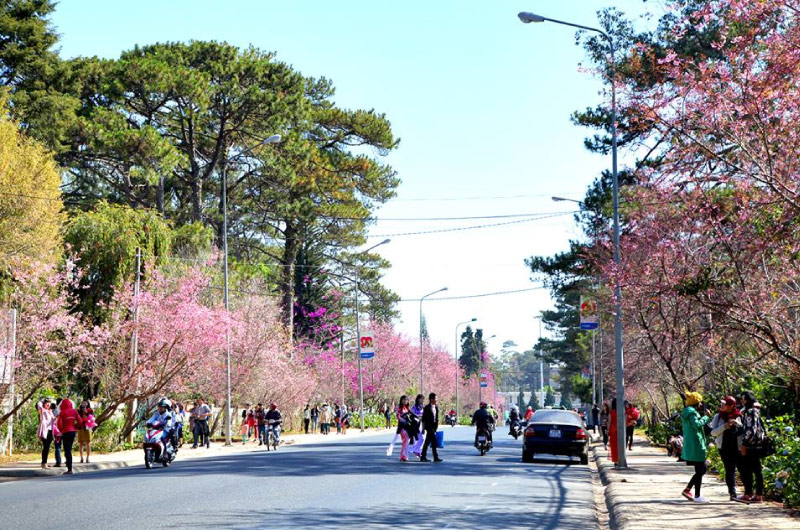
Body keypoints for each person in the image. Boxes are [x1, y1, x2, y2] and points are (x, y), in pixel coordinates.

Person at [709, 396, 743, 501]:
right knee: (729, 470)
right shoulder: (718, 417)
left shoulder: (738, 416)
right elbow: (713, 432)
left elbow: (743, 429)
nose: (722, 406)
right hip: (724, 447)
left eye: (725, 404)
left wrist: (737, 423)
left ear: (732, 406)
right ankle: (732, 493)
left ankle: (748, 492)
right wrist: (724, 427)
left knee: (742, 469)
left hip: (737, 447)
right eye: (722, 404)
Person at [680, 391, 711, 503]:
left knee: (701, 470)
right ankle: (697, 495)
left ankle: (688, 489)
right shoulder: (692, 413)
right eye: (700, 402)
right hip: (696, 445)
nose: (701, 404)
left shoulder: (687, 412)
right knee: (700, 470)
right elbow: (697, 425)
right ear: (696, 403)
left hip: (693, 444)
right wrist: (706, 417)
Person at [739, 390, 766, 503]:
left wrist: (744, 445)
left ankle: (755, 494)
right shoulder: (753, 410)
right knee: (753, 470)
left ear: (746, 400)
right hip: (756, 445)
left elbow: (750, 430)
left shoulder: (750, 412)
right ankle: (751, 493)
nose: (741, 401)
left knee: (751, 470)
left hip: (751, 446)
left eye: (743, 399)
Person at [56, 398, 80, 475]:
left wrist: (61, 430)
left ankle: (69, 469)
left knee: (67, 450)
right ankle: (69, 467)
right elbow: (80, 421)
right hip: (73, 431)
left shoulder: (62, 412)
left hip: (66, 432)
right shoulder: (74, 411)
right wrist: (76, 427)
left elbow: (59, 423)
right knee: (69, 449)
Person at [420, 393, 442, 462]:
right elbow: (423, 419)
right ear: (431, 399)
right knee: (434, 441)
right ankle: (435, 457)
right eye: (435, 398)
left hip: (434, 427)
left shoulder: (436, 407)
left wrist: (436, 427)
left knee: (427, 442)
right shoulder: (427, 408)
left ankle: (423, 456)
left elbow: (436, 418)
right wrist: (423, 428)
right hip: (428, 427)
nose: (436, 400)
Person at [37, 398, 55, 470]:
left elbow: (54, 419)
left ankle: (45, 462)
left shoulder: (51, 411)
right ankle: (44, 463)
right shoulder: (42, 411)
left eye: (49, 403)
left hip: (51, 431)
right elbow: (38, 404)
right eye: (47, 403)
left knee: (47, 448)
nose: (48, 404)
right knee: (45, 447)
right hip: (45, 431)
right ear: (44, 404)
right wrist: (42, 400)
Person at [395, 395, 412, 462]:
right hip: (402, 427)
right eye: (404, 399)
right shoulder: (399, 408)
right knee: (405, 440)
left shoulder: (407, 408)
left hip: (408, 427)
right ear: (401, 400)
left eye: (406, 400)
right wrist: (404, 421)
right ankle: (403, 455)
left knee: (406, 441)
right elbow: (398, 417)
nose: (405, 401)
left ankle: (403, 455)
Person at [53, 397, 63, 467]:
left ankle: (58, 462)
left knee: (57, 447)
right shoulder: (64, 410)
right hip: (64, 430)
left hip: (57, 430)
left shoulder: (55, 410)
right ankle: (67, 460)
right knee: (66, 447)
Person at [609, 398, 619, 465]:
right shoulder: (621, 412)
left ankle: (615, 460)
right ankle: (619, 458)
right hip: (620, 430)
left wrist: (608, 430)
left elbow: (609, 422)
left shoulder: (611, 412)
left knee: (614, 446)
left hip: (612, 430)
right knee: (620, 445)